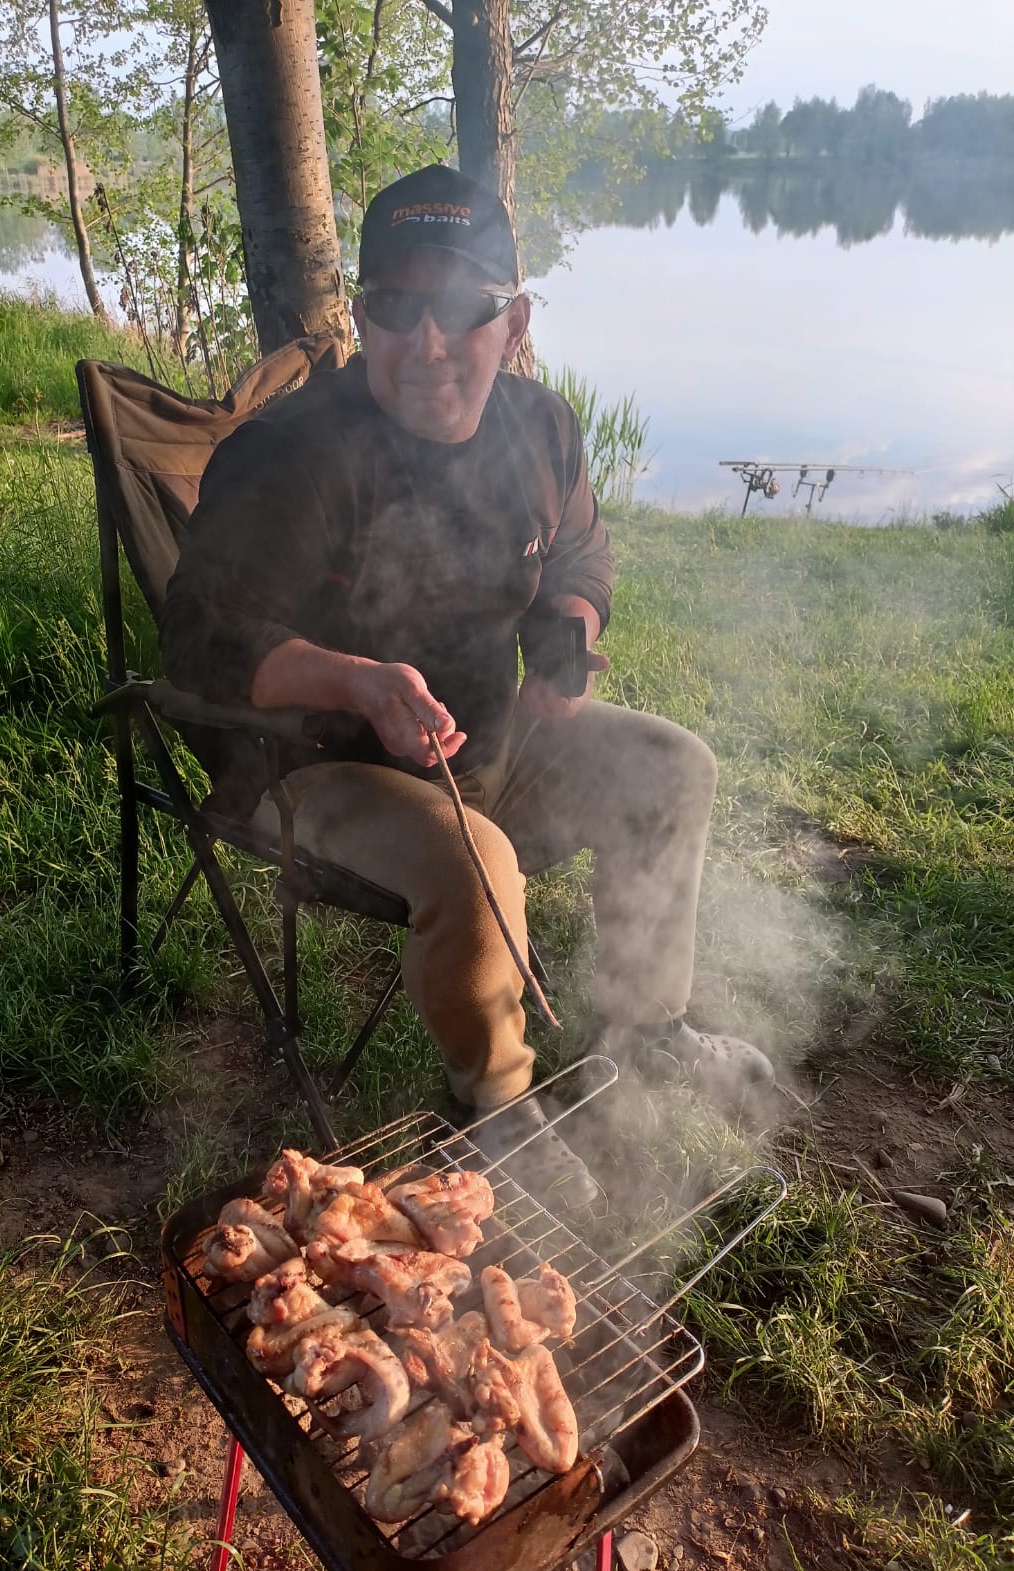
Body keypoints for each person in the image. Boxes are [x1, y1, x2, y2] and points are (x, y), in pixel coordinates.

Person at [162, 165, 773, 1210]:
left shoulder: (542, 430)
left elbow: (580, 556)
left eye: (461, 308)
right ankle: (498, 1109)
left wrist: (569, 634)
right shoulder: (291, 456)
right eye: (396, 308)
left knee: (672, 766)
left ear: (514, 321)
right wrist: (355, 681)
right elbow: (201, 638)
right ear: (363, 316)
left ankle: (646, 1027)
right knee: (476, 856)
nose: (428, 342)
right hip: (315, 765)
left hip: (496, 740)